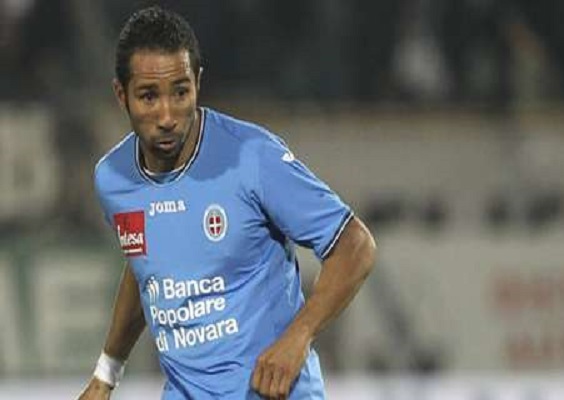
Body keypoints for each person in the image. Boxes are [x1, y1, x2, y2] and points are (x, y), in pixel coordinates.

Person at [78, 6, 376, 400]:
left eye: (180, 92)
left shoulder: (251, 156)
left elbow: (355, 245)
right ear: (122, 95)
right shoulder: (113, 178)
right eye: (149, 96)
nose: (167, 115)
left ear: (197, 83)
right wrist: (106, 373)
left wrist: (298, 336)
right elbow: (145, 265)